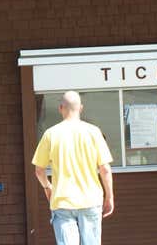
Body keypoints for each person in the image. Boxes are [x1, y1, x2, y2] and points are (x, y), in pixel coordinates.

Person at [32, 91, 114, 245]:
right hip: (91, 200)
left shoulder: (50, 134)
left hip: (62, 201)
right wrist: (109, 196)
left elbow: (39, 170)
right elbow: (105, 169)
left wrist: (47, 187)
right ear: (81, 108)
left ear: (60, 108)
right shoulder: (94, 132)